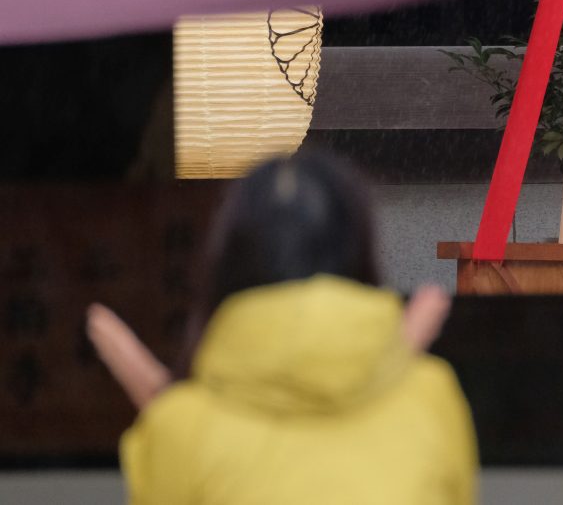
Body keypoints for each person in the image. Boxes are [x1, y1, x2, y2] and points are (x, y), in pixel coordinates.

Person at [87, 151, 477, 504]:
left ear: (226, 266)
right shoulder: (430, 395)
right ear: (360, 254)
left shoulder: (178, 425)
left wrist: (167, 417)